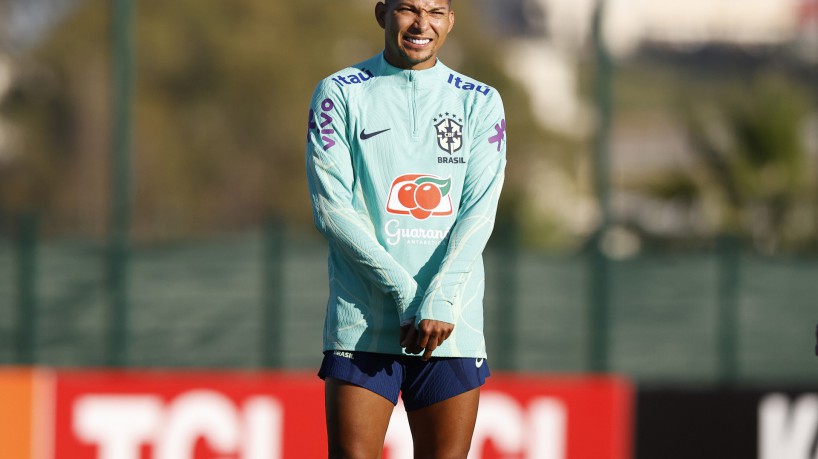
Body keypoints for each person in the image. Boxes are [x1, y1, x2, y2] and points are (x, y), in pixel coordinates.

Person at [305, 0, 507, 456]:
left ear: (450, 21)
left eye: (436, 11)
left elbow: (479, 211)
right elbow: (332, 210)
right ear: (382, 14)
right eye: (408, 9)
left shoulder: (479, 101)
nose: (422, 24)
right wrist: (406, 295)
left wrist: (437, 299)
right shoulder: (340, 92)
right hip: (363, 324)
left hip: (449, 326)